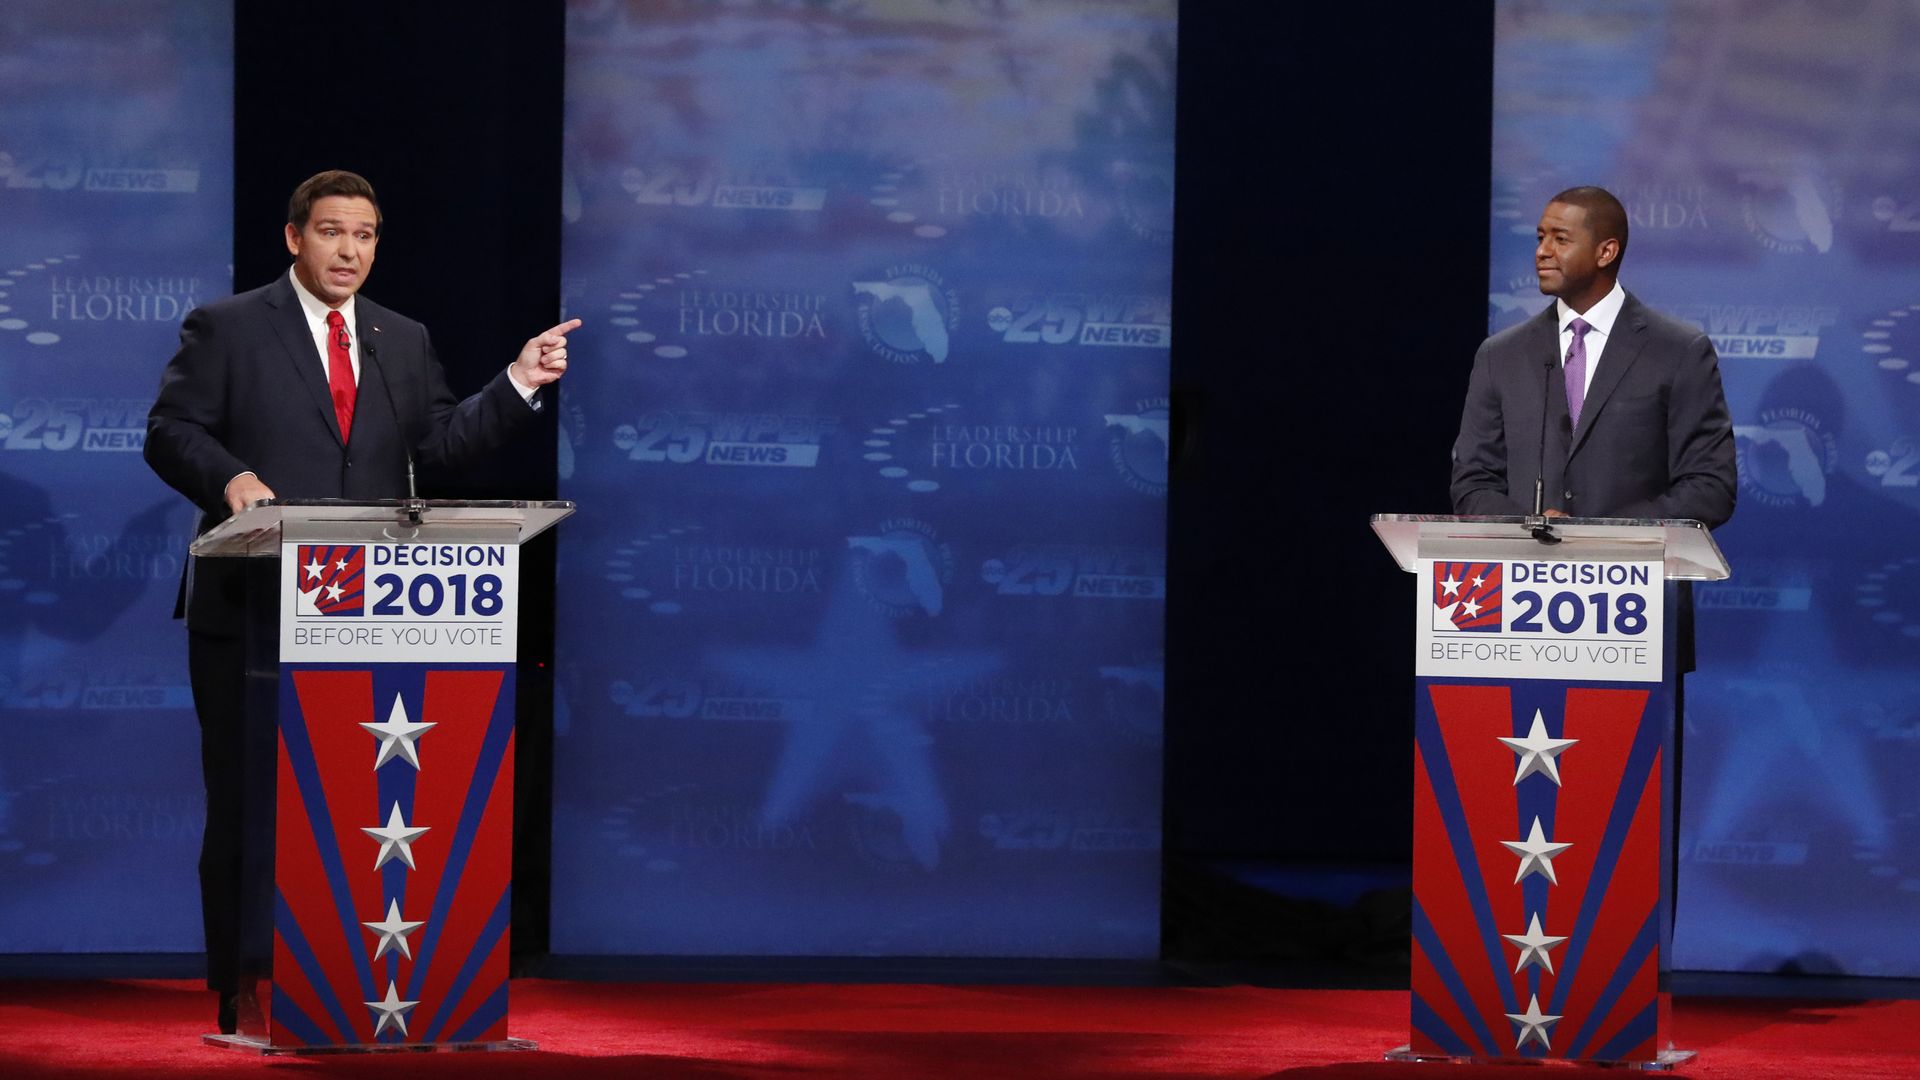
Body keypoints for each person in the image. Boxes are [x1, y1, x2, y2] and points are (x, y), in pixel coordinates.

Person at [144, 170, 579, 1033]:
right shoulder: (229, 326)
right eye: (334, 231)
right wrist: (230, 477)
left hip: (369, 615)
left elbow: (443, 444)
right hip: (254, 610)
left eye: (366, 235)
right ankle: (243, 990)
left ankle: (352, 983)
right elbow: (170, 429)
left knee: (353, 801)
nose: (350, 250)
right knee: (248, 801)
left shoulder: (398, 338)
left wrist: (519, 383)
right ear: (294, 237)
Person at [1450, 186, 1736, 526]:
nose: (1542, 251)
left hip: (1633, 571)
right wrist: (1533, 528)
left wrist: (1600, 533)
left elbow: (1710, 488)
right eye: (1541, 237)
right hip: (1523, 573)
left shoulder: (1678, 352)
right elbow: (1473, 482)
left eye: (1560, 239)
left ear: (1606, 252)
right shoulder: (1500, 356)